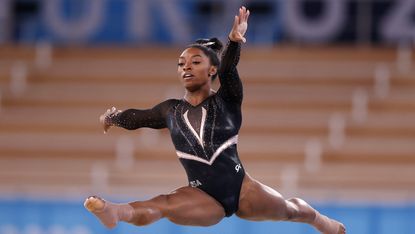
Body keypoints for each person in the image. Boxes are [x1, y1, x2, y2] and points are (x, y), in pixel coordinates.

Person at [84, 6, 346, 234]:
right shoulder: (170, 110)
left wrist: (233, 41)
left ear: (212, 70)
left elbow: (229, 68)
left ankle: (321, 222)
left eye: (195, 62)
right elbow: (137, 118)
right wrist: (114, 117)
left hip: (243, 190)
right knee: (163, 204)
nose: (186, 67)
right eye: (181, 63)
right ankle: (115, 211)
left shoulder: (227, 100)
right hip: (201, 196)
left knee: (290, 210)